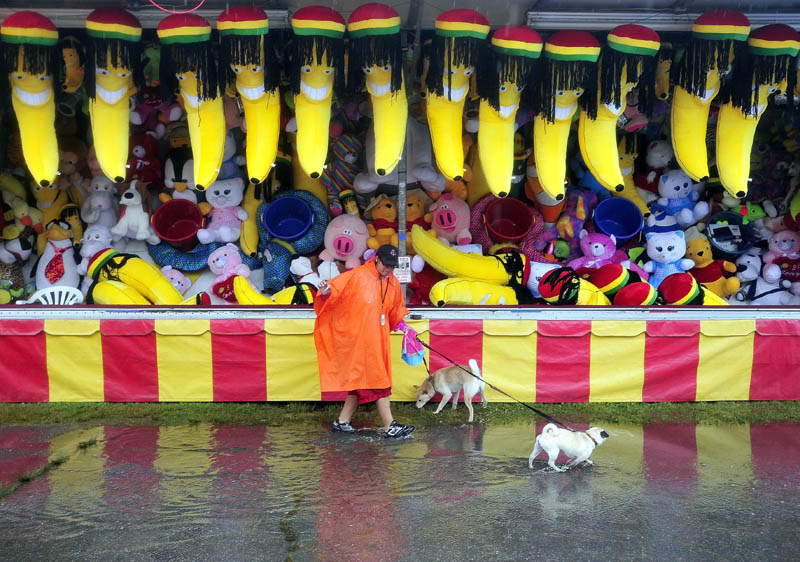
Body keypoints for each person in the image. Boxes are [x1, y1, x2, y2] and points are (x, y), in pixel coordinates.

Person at [314, 244, 416, 438]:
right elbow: (335, 292)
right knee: (379, 382)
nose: (389, 269)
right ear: (376, 259)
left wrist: (404, 328)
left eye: (393, 266)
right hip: (358, 339)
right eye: (386, 264)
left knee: (361, 381)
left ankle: (342, 421)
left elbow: (395, 310)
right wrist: (326, 291)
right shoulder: (358, 275)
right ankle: (390, 426)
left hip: (377, 340)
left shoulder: (392, 282)